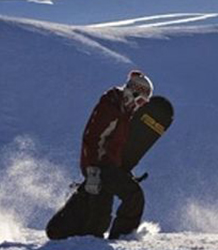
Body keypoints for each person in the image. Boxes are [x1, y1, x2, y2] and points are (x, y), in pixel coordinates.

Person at [46, 70, 153, 240]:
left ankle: (62, 231)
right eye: (140, 100)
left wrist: (122, 169)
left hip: (107, 166)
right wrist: (92, 171)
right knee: (134, 195)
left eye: (144, 103)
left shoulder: (124, 110)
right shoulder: (111, 107)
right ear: (132, 93)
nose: (140, 105)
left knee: (98, 219)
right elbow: (92, 138)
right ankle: (122, 237)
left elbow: (115, 144)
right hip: (100, 166)